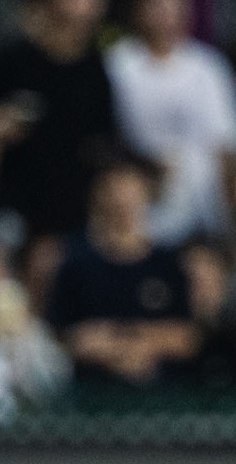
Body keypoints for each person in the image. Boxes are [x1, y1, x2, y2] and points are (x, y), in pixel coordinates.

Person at [0, 0, 117, 276]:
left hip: (70, 200)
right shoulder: (15, 59)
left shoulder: (97, 71)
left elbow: (102, 138)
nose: (82, 3)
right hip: (13, 191)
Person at [105, 0, 236, 245]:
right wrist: (145, 167)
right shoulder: (118, 64)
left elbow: (226, 146)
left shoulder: (207, 65)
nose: (169, 15)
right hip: (138, 194)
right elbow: (108, 133)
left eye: (177, 5)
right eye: (158, 5)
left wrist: (229, 222)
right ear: (138, 11)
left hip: (201, 203)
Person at [48, 150, 204, 386]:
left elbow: (187, 338)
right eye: (112, 185)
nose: (121, 196)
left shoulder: (168, 264)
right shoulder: (77, 265)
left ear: (146, 190)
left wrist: (127, 341)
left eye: (129, 183)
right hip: (93, 399)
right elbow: (66, 338)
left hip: (162, 402)